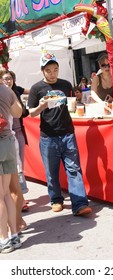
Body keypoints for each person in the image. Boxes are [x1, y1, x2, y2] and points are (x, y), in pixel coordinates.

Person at [27, 53, 92, 216]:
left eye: (55, 69)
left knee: (74, 168)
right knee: (51, 170)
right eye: (48, 70)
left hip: (68, 133)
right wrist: (41, 106)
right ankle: (56, 199)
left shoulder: (65, 84)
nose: (52, 73)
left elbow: (71, 103)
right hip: (48, 136)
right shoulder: (36, 89)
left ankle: (79, 203)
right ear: (42, 71)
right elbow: (31, 113)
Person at [0, 64, 22, 253]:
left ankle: (3, 239)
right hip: (7, 142)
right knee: (5, 193)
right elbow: (18, 112)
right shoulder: (6, 90)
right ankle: (14, 236)